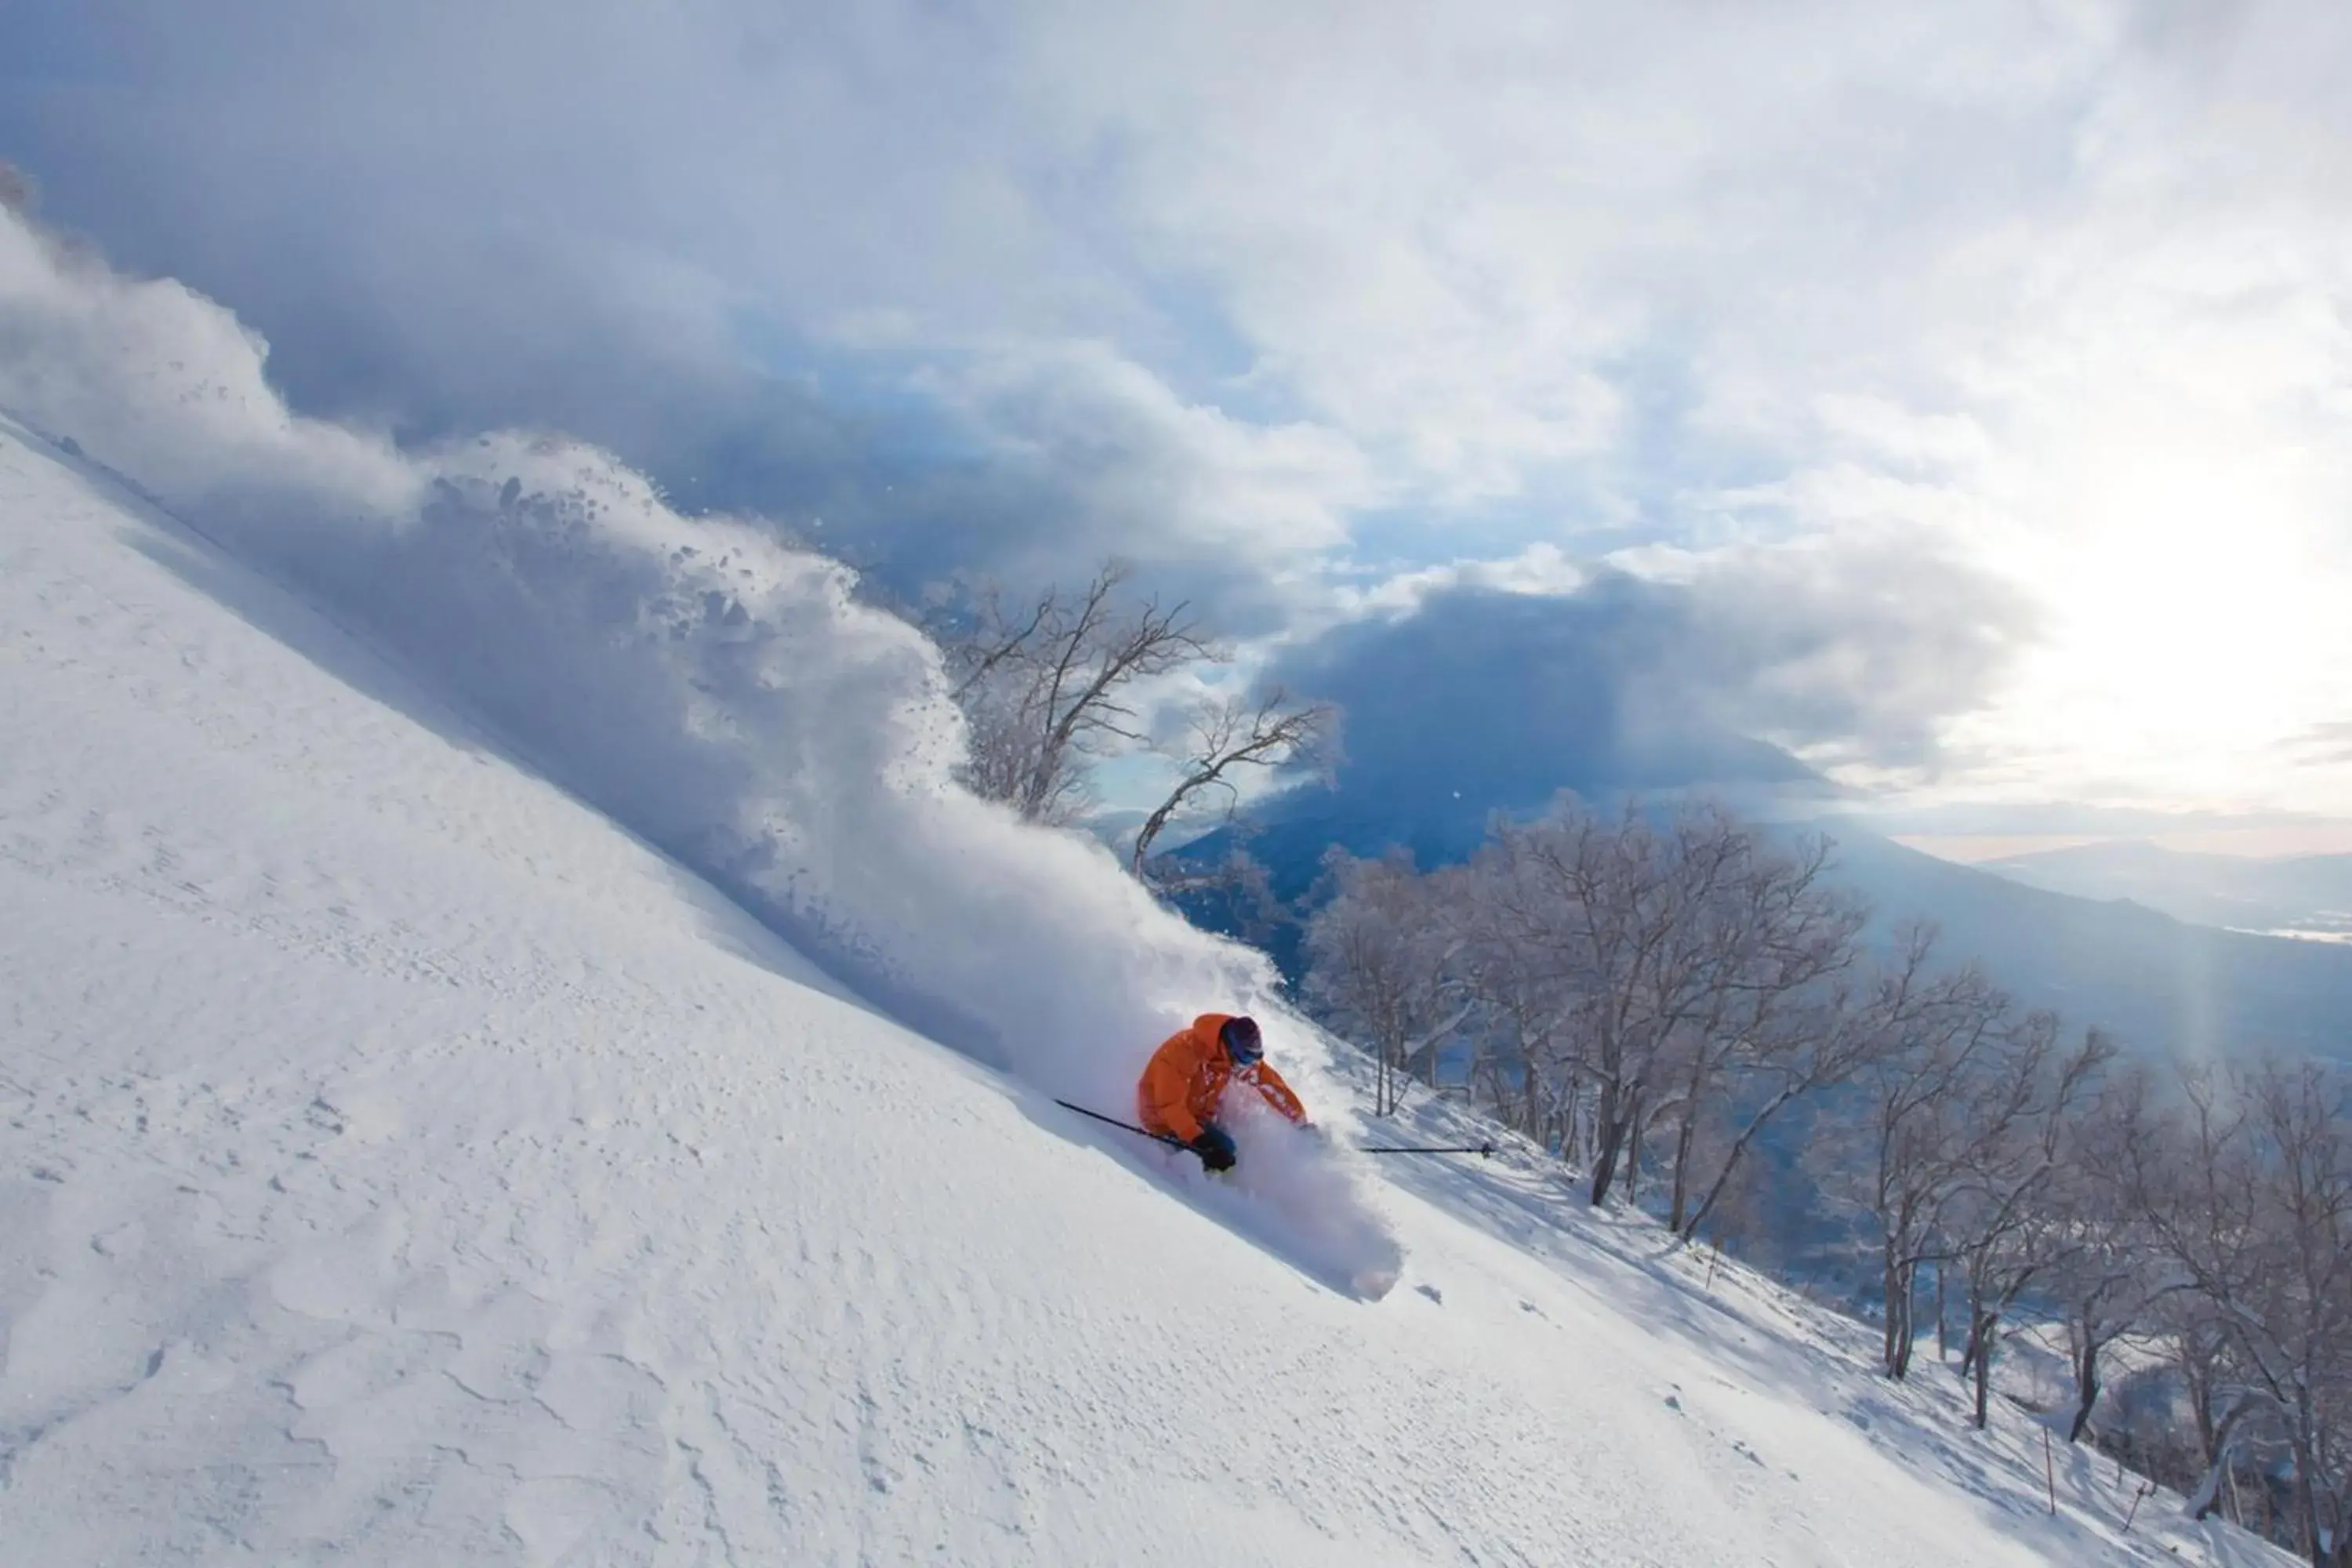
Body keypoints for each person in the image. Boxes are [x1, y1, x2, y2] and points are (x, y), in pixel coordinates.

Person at [1135, 1013, 1305, 1172]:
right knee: (1227, 1150)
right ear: (1228, 1047)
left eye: (1252, 1060)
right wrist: (1201, 1142)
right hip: (1163, 1121)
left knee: (1244, 1140)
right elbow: (1169, 1106)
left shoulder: (1228, 1058)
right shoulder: (1181, 1053)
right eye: (1245, 1060)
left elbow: (1268, 1083)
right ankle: (1195, 1188)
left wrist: (1299, 1120)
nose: (1246, 1066)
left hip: (1197, 1115)